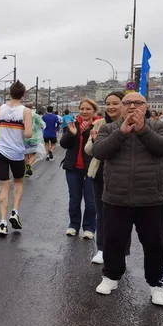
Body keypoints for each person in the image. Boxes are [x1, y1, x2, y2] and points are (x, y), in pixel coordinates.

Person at [93, 92, 163, 306]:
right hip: (116, 197)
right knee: (113, 241)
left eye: (137, 103)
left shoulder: (159, 127)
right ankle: (111, 277)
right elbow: (99, 151)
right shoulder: (109, 128)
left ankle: (157, 284)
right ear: (121, 106)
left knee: (155, 244)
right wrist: (121, 133)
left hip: (152, 198)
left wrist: (142, 131)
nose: (132, 106)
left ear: (145, 107)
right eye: (127, 103)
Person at [0, 81, 33, 236]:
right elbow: (28, 134)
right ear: (23, 95)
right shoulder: (25, 111)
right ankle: (15, 212)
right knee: (18, 182)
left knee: (4, 186)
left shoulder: (0, 109)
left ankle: (3, 223)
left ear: (9, 94)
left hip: (0, 151)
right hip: (17, 153)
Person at [84, 92, 128, 264]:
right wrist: (94, 142)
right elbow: (89, 150)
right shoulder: (99, 123)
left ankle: (122, 251)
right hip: (100, 173)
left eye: (115, 103)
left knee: (123, 216)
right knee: (102, 213)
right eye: (108, 103)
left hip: (123, 175)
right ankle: (102, 248)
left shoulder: (130, 123)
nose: (111, 107)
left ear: (123, 105)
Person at [60, 98, 100, 239]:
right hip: (73, 168)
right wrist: (72, 134)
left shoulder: (99, 126)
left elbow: (100, 147)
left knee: (90, 201)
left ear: (94, 111)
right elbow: (64, 144)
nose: (84, 111)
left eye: (88, 109)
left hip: (91, 169)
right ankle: (73, 225)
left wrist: (87, 134)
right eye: (82, 108)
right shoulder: (74, 124)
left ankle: (89, 227)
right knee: (74, 199)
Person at [23, 104, 45, 177]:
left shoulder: (23, 116)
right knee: (33, 154)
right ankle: (29, 164)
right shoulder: (36, 116)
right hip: (34, 138)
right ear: (32, 108)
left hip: (25, 137)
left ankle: (26, 171)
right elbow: (43, 125)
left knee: (25, 154)